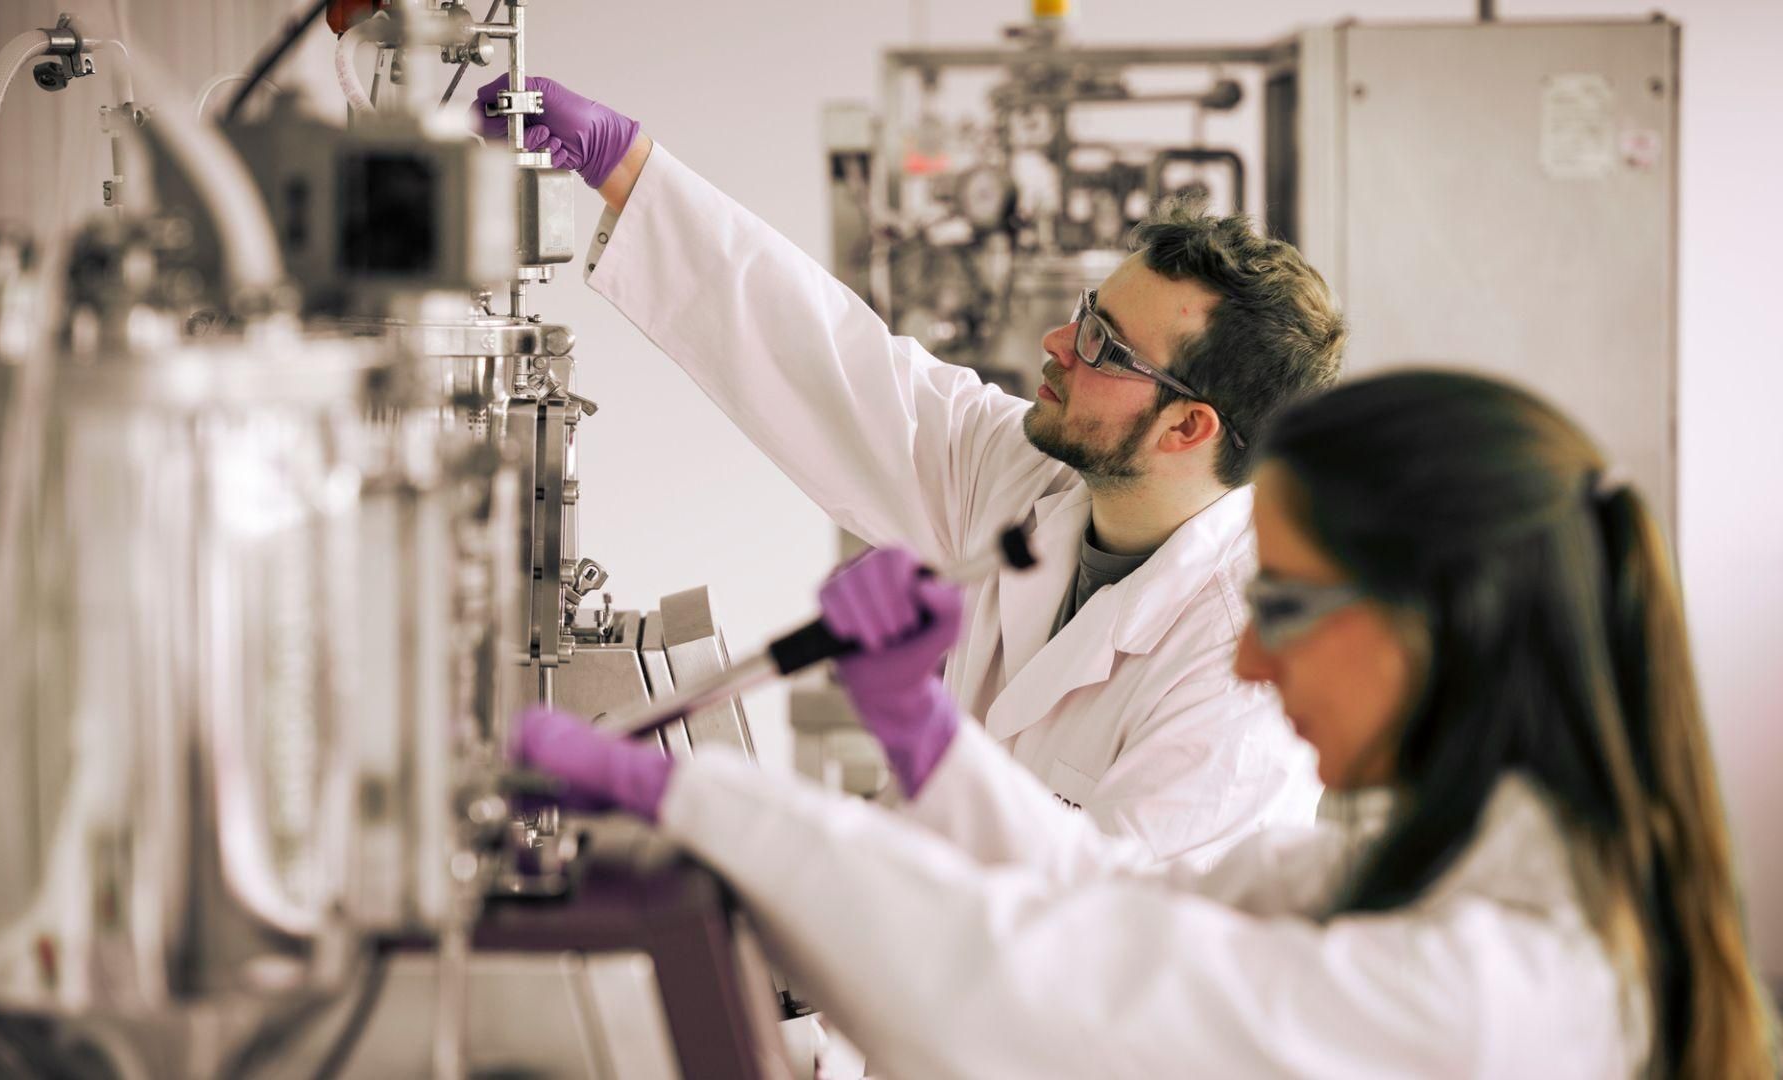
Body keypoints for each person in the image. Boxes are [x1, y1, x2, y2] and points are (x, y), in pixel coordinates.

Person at [514, 370, 1778, 1078]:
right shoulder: (1444, 861)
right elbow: (1124, 904)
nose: (1245, 654)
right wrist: (924, 738)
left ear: (1434, 618)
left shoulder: (1501, 990)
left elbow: (1056, 1012)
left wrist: (711, 803)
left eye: (1281, 605)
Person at [474, 76, 1346, 862]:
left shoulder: (1247, 675)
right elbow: (831, 364)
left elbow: (1097, 950)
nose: (1056, 344)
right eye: (1087, 313)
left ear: (1188, 426)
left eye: (1102, 345)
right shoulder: (1032, 481)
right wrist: (628, 168)